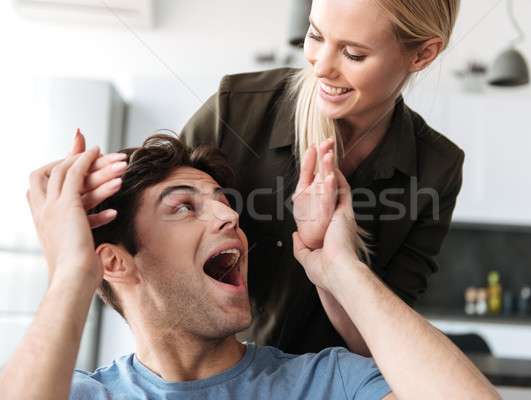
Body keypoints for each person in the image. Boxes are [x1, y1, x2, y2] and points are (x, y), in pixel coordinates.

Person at [0, 133, 498, 399]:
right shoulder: (85, 396)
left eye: (222, 199)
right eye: (183, 207)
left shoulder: (327, 384)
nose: (231, 214)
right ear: (115, 262)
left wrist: (338, 267)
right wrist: (70, 271)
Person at [181, 0, 464, 355]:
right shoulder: (234, 108)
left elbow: (382, 345)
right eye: (315, 35)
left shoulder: (438, 170)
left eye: (353, 54)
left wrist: (329, 263)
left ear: (423, 54)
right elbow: (146, 249)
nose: (321, 66)